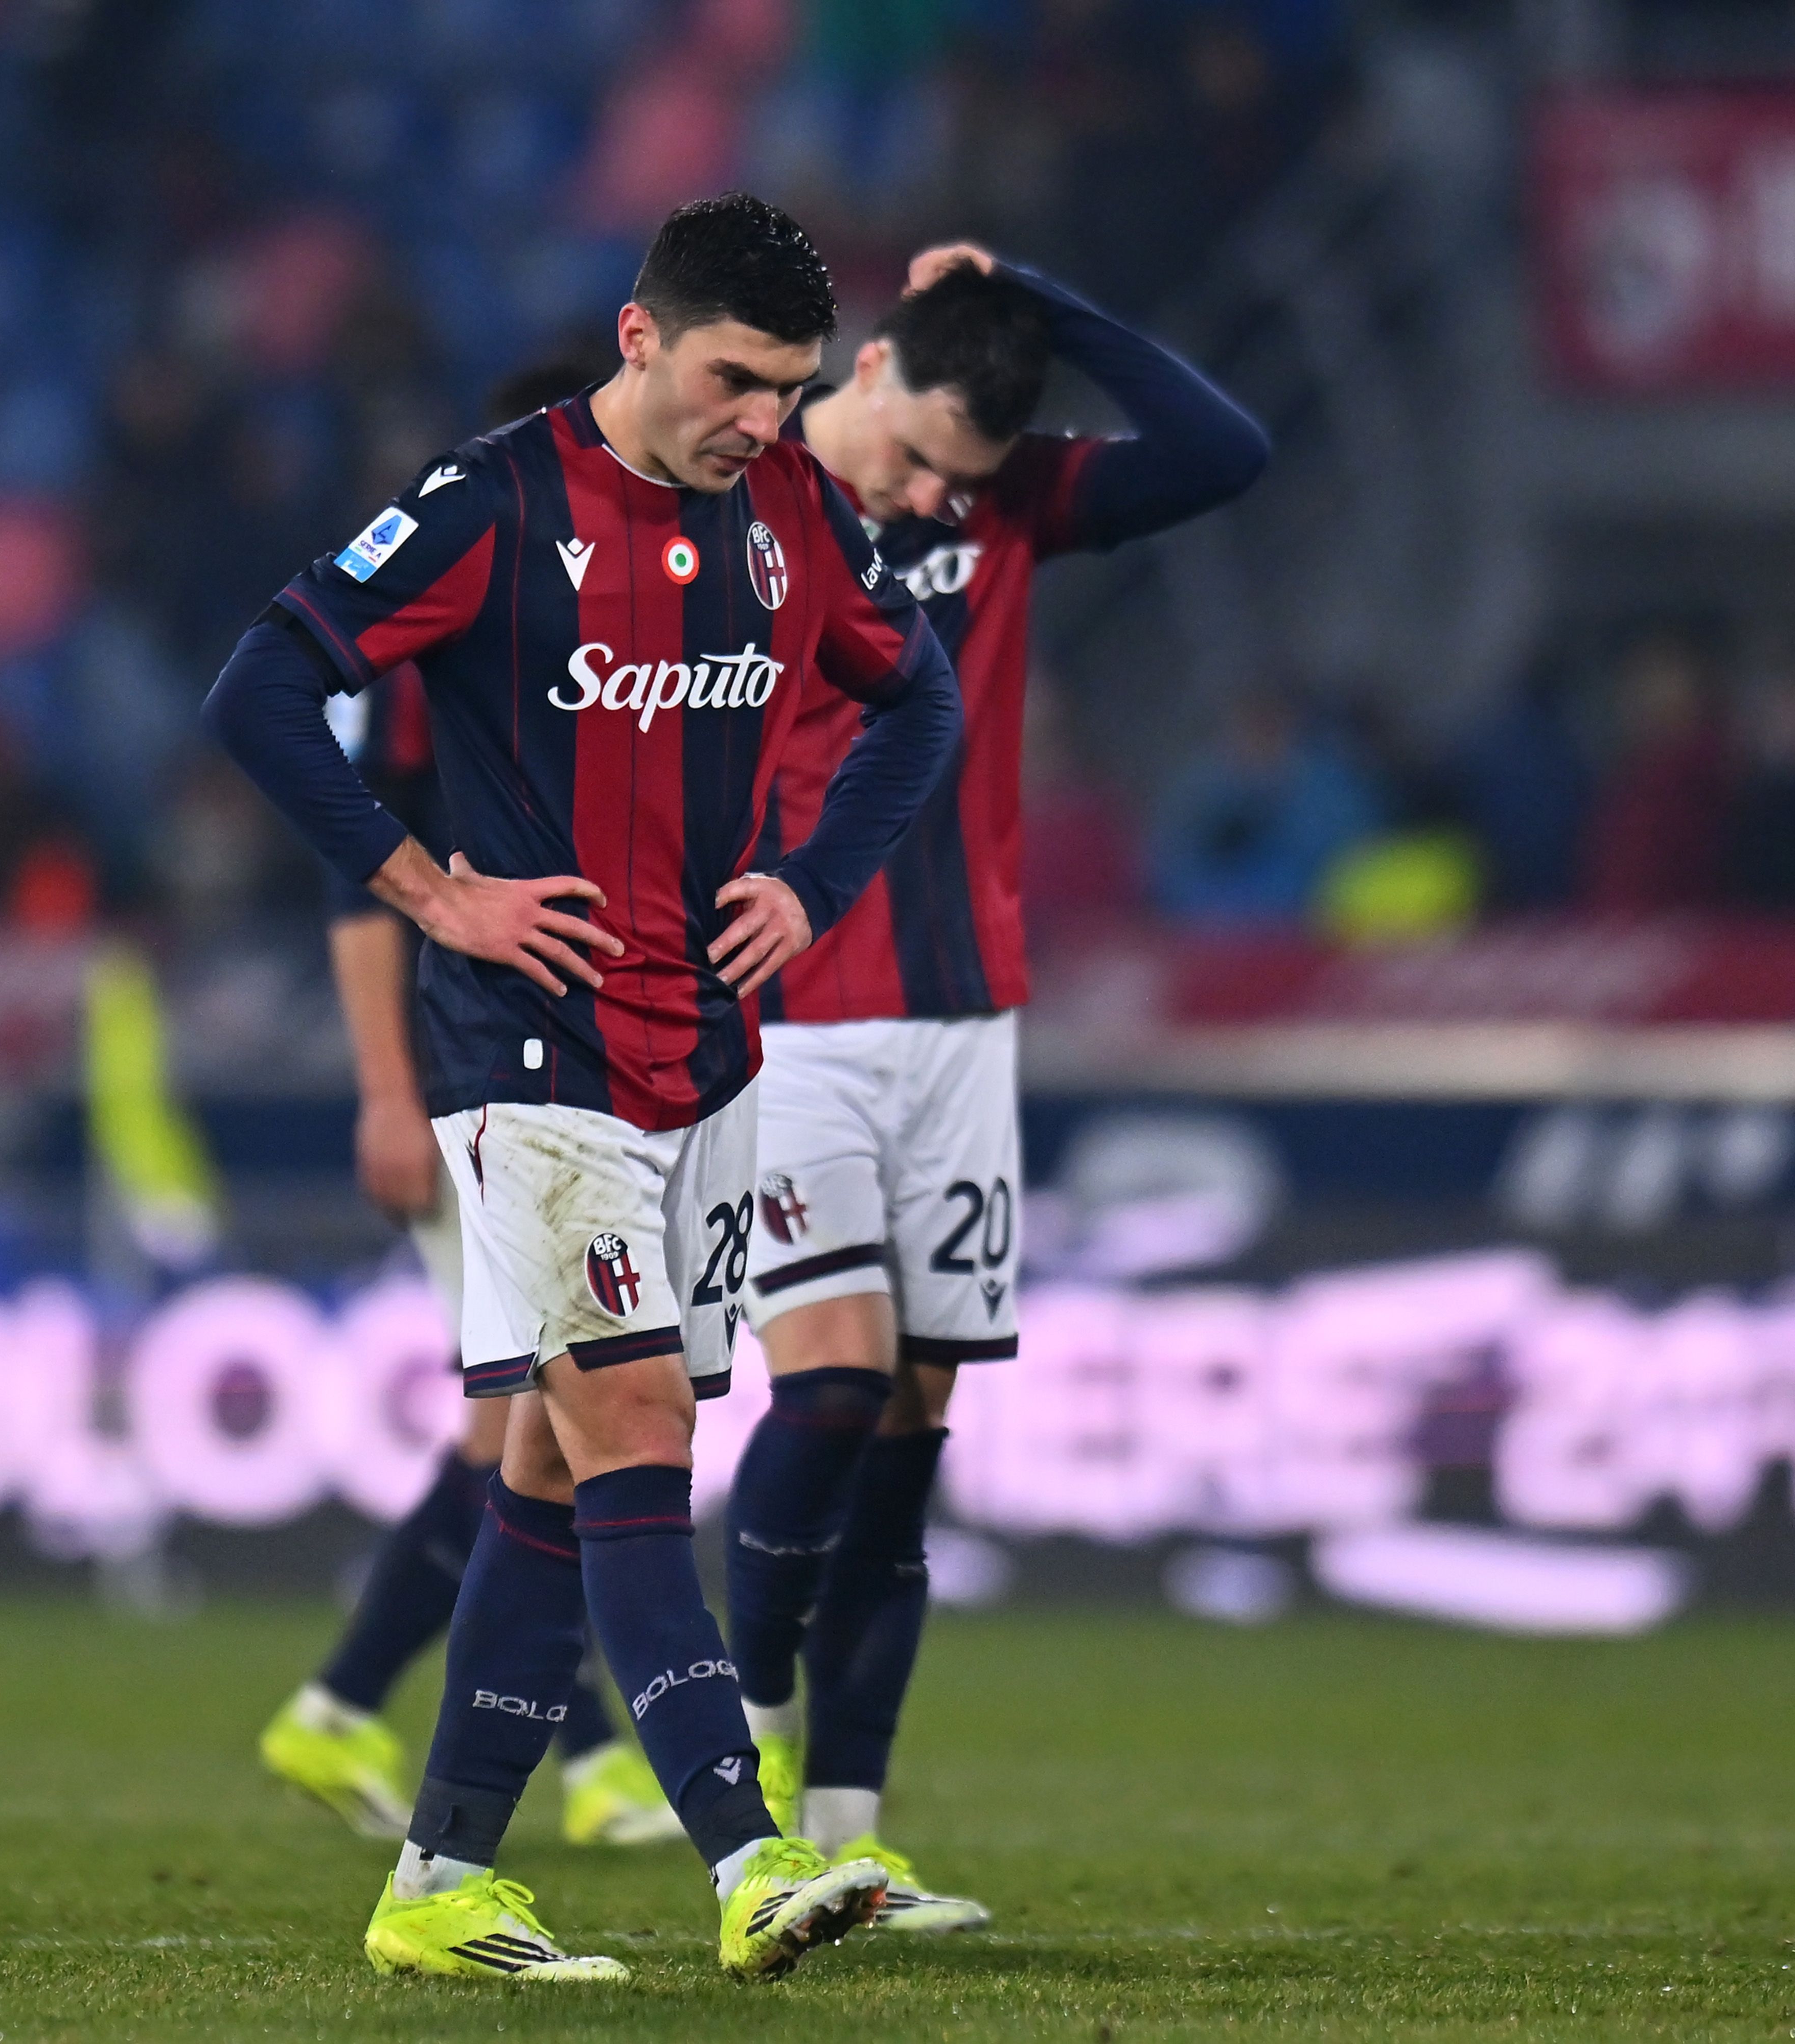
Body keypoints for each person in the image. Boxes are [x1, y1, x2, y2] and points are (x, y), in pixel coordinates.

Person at [208, 193, 962, 1984]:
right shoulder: (490, 505)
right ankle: (743, 1852)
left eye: (786, 389)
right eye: (730, 381)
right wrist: (428, 891)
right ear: (639, 341)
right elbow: (259, 689)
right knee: (637, 1433)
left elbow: (912, 703)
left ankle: (438, 1883)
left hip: (702, 1064)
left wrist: (818, 880)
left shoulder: (786, 511)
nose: (761, 422)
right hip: (523, 1059)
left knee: (548, 1475)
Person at [732, 243, 1267, 1923]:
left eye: (957, 479)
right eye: (911, 455)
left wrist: (1042, 300)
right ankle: (733, 1787)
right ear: (865, 364)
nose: (920, 493)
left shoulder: (1004, 505)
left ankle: (850, 1835)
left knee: (911, 1425)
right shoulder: (729, 497)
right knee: (826, 1385)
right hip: (787, 1014)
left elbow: (1227, 452)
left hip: (965, 1017)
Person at [257, 356, 681, 1856]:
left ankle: (364, 1713)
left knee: (528, 1413)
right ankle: (568, 1754)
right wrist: (387, 1088)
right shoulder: (465, 624)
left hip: (561, 1061)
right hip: (476, 1065)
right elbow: (367, 882)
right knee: (540, 1415)